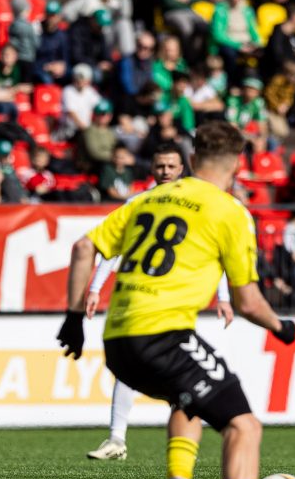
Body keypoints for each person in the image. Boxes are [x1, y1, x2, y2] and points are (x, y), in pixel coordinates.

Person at [59, 120, 295, 479]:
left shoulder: (147, 199)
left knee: (187, 397)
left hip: (118, 341)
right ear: (237, 164)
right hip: (164, 334)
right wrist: (282, 327)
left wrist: (74, 318)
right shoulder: (230, 211)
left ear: (191, 160)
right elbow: (248, 302)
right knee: (243, 425)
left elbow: (82, 248)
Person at [84, 141, 232, 460]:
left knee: (178, 381)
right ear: (152, 169)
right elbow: (113, 249)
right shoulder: (138, 202)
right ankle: (116, 439)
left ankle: (193, 447)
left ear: (183, 168)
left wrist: (224, 295)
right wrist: (96, 287)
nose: (165, 171)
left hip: (178, 301)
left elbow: (213, 249)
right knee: (134, 372)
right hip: (142, 299)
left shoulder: (197, 203)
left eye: (171, 166)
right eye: (159, 166)